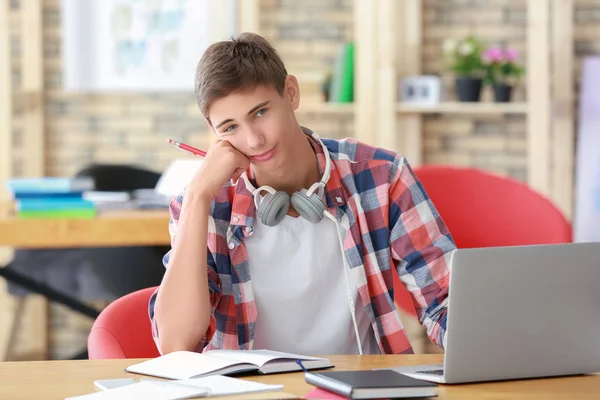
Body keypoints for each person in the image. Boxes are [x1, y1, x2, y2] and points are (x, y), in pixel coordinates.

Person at [149, 32, 455, 356]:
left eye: (260, 112)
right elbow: (176, 345)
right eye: (230, 127)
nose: (254, 140)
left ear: (290, 93)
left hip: (363, 387)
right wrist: (197, 195)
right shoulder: (204, 203)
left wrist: (489, 351)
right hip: (246, 391)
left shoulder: (381, 176)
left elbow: (444, 302)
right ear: (214, 133)